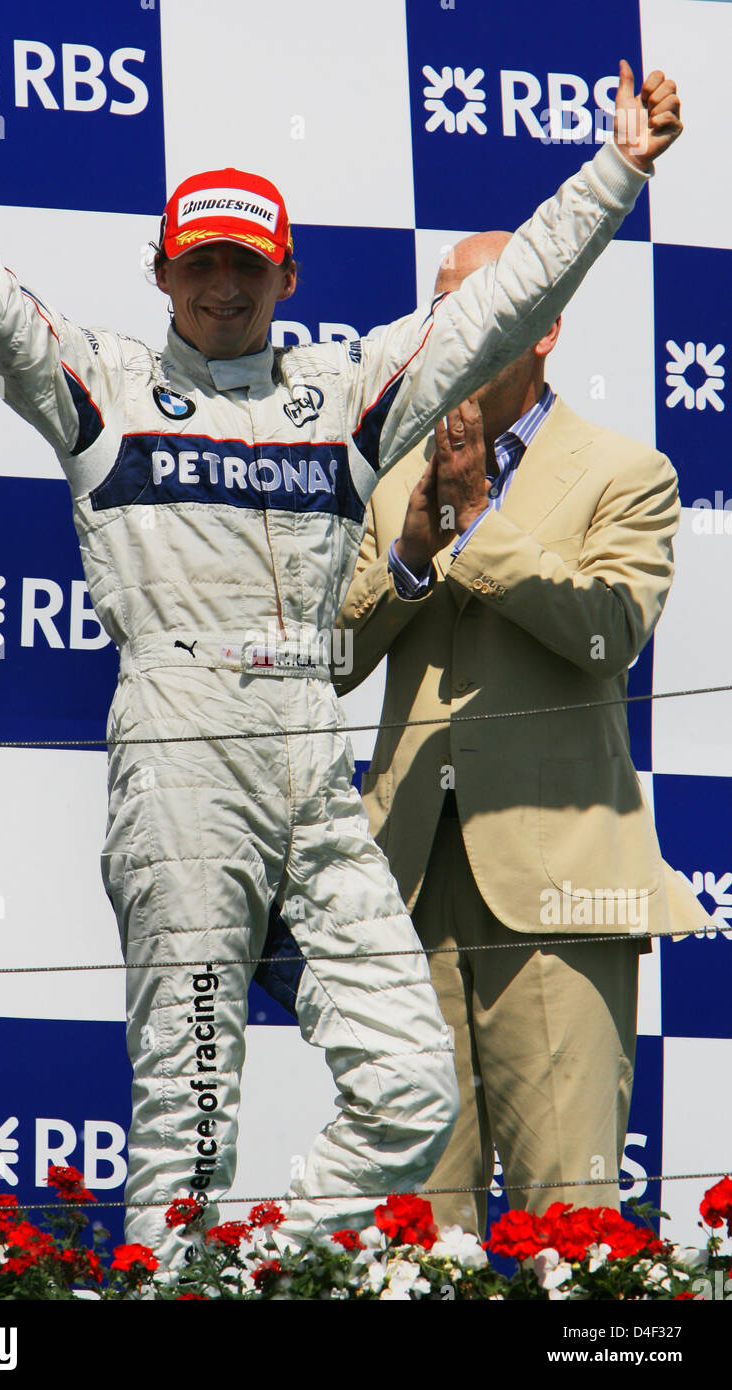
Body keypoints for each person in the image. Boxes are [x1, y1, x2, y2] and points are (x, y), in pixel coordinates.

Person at [0, 45, 682, 1264]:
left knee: (411, 1084)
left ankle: (256, 1266)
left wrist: (615, 172)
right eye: (198, 263)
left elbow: (496, 303)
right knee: (188, 1115)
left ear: (284, 274)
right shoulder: (104, 384)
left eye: (243, 265)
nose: (220, 287)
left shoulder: (345, 393)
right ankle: (185, 1284)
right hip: (184, 755)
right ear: (160, 271)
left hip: (310, 757)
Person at [334, 231, 709, 1237]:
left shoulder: (626, 471)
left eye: (484, 305)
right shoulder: (385, 479)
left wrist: (475, 516)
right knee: (416, 1230)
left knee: (566, 1228)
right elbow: (331, 656)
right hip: (406, 886)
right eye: (441, 307)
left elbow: (607, 631)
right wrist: (412, 549)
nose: (453, 329)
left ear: (542, 325)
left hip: (561, 885)